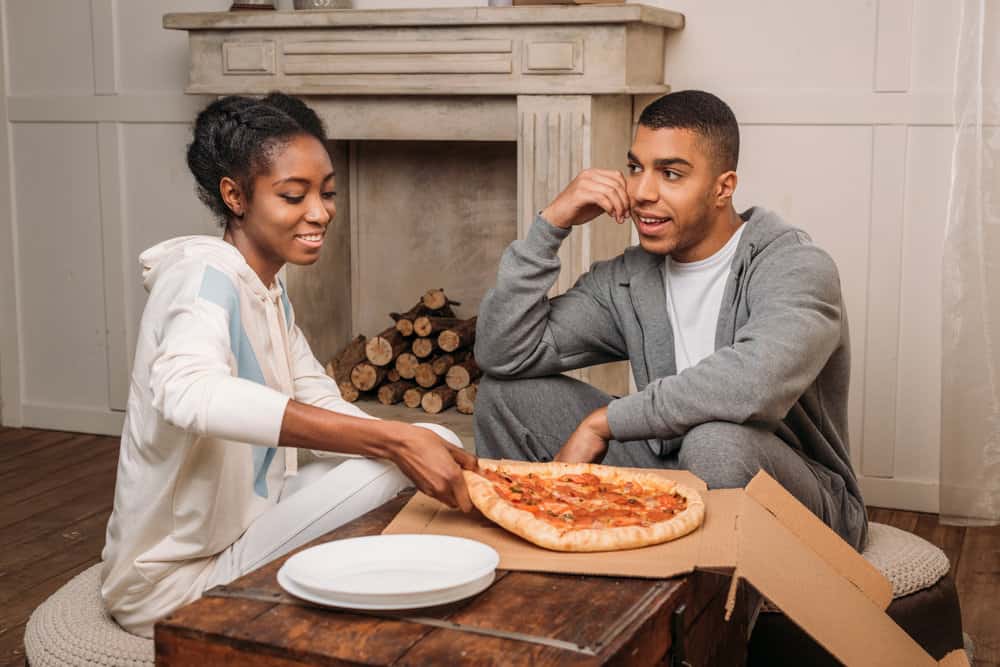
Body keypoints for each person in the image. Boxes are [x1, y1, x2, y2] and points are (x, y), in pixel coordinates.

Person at [100, 92, 476, 637]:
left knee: (436, 437)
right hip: (169, 585)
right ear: (235, 195)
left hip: (251, 521)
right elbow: (186, 391)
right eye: (293, 195)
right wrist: (396, 445)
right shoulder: (200, 277)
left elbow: (319, 400)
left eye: (326, 193)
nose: (320, 212)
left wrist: (413, 441)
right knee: (404, 450)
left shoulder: (269, 290)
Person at [474, 90, 868, 551]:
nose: (642, 192)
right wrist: (551, 225)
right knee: (506, 394)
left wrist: (604, 422)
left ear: (723, 187)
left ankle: (710, 613)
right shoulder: (628, 277)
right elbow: (502, 353)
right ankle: (547, 555)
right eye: (636, 168)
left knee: (715, 444)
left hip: (799, 489)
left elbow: (752, 383)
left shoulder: (795, 265)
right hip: (668, 468)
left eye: (671, 174)